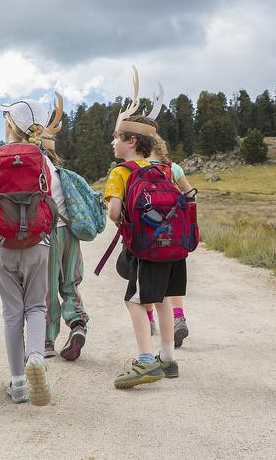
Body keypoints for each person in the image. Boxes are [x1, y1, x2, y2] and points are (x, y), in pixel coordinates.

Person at [104, 115, 195, 389]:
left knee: (135, 301)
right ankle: (167, 359)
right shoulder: (166, 169)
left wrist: (121, 220)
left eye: (117, 137)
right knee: (163, 299)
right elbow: (190, 197)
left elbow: (114, 212)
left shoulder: (121, 172)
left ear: (131, 141)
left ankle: (145, 360)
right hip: (174, 248)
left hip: (148, 250)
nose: (113, 142)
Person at [0, 98, 62, 405]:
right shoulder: (44, 160)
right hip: (37, 245)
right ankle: (37, 358)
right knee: (37, 307)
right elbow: (52, 202)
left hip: (2, 245)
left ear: (9, 123)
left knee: (12, 312)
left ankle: (17, 383)